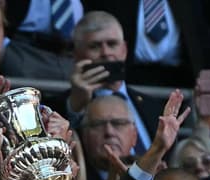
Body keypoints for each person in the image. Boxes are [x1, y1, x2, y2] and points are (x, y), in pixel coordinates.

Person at [59, 11, 162, 153]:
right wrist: (75, 108)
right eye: (94, 46)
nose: (106, 53)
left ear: (124, 50)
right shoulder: (60, 108)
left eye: (112, 44)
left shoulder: (154, 107)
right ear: (76, 55)